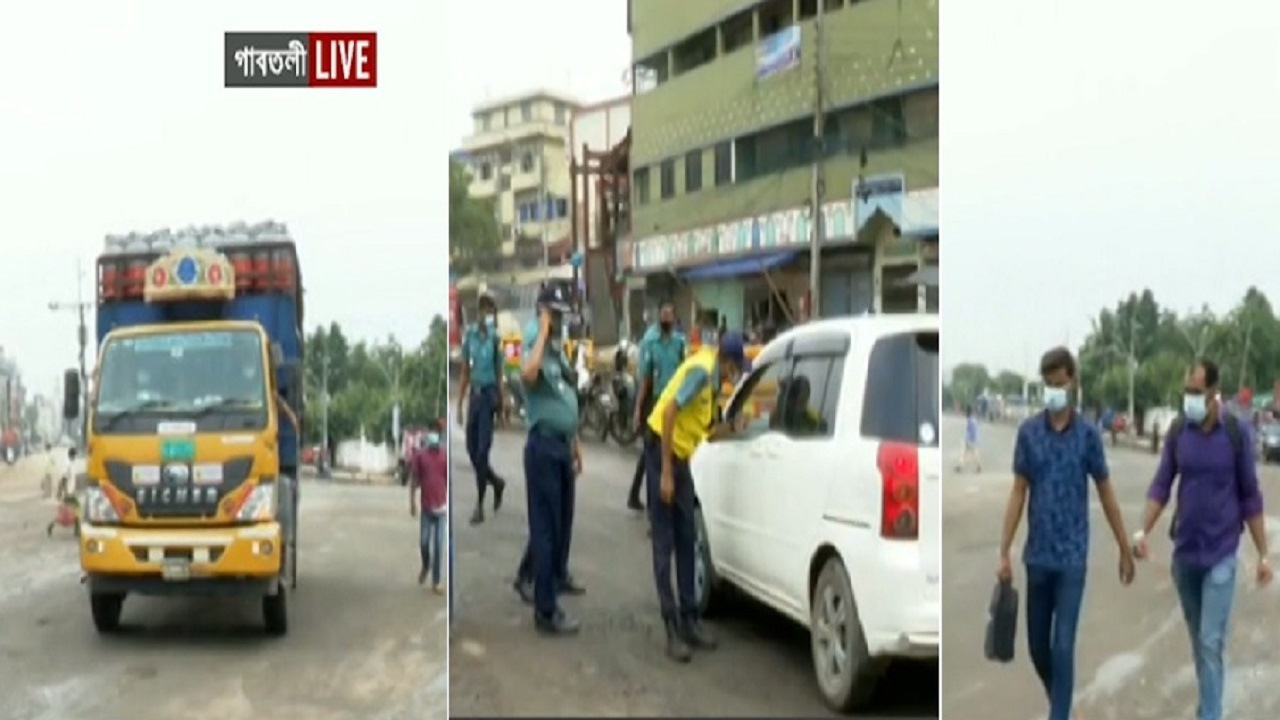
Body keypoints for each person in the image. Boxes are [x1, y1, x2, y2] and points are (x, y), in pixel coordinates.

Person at [997, 346, 1134, 720]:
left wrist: (1124, 546)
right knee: (1038, 648)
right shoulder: (1028, 434)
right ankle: (1061, 701)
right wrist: (1004, 550)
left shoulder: (1088, 436)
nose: (1054, 391)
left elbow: (1106, 492)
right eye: (1048, 384)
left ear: (1072, 382)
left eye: (1059, 383)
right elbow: (1018, 491)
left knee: (1063, 646)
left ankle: (1059, 714)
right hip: (1037, 556)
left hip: (1072, 558)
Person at [1133, 360, 1271, 720]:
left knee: (1211, 642)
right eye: (1187, 390)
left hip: (1222, 554)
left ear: (1214, 393)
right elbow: (1162, 484)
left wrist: (1263, 555)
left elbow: (1250, 496)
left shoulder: (1235, 433)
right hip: (1186, 556)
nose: (1189, 398)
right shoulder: (1180, 432)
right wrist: (1142, 530)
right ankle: (1206, 706)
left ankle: (1210, 714)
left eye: (1196, 391)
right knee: (1199, 643)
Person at [645, 331, 746, 662]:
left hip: (681, 458)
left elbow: (707, 430)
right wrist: (666, 473)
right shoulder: (701, 372)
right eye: (735, 368)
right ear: (726, 361)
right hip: (662, 451)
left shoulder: (713, 384)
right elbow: (671, 411)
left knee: (687, 537)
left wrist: (733, 428)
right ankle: (671, 627)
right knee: (665, 544)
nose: (735, 376)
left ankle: (690, 619)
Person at [515, 279, 584, 635]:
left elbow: (565, 393)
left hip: (560, 445)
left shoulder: (556, 347)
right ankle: (545, 610)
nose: (559, 321)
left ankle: (550, 588)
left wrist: (574, 441)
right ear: (543, 313)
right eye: (554, 314)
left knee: (561, 527)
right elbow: (528, 374)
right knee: (546, 531)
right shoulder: (535, 339)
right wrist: (542, 331)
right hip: (542, 447)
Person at [627, 300, 686, 512]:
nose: (667, 318)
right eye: (663, 314)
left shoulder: (680, 342)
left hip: (676, 403)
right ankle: (652, 507)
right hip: (655, 403)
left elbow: (685, 370)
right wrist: (638, 410)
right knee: (653, 453)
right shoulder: (650, 342)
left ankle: (639, 495)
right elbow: (645, 379)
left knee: (660, 452)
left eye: (670, 314)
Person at [456, 292, 507, 525]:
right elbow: (465, 371)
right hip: (474, 398)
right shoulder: (471, 338)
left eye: (490, 311)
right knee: (471, 448)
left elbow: (499, 374)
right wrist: (459, 403)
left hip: (488, 398)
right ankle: (495, 481)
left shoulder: (496, 340)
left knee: (483, 450)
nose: (486, 315)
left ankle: (479, 504)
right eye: (483, 310)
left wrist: (502, 403)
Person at [409, 431, 448, 594]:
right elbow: (415, 479)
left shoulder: (444, 457)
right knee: (424, 542)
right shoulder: (421, 457)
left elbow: (447, 480)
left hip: (441, 509)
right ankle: (426, 565)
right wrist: (411, 501)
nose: (434, 449)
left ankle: (436, 581)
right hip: (426, 507)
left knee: (438, 546)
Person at [956, 405, 981, 473]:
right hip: (973, 440)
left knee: (963, 453)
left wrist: (969, 440)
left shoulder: (970, 420)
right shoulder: (973, 420)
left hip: (969, 440)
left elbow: (971, 431)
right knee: (974, 453)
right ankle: (978, 466)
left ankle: (960, 466)